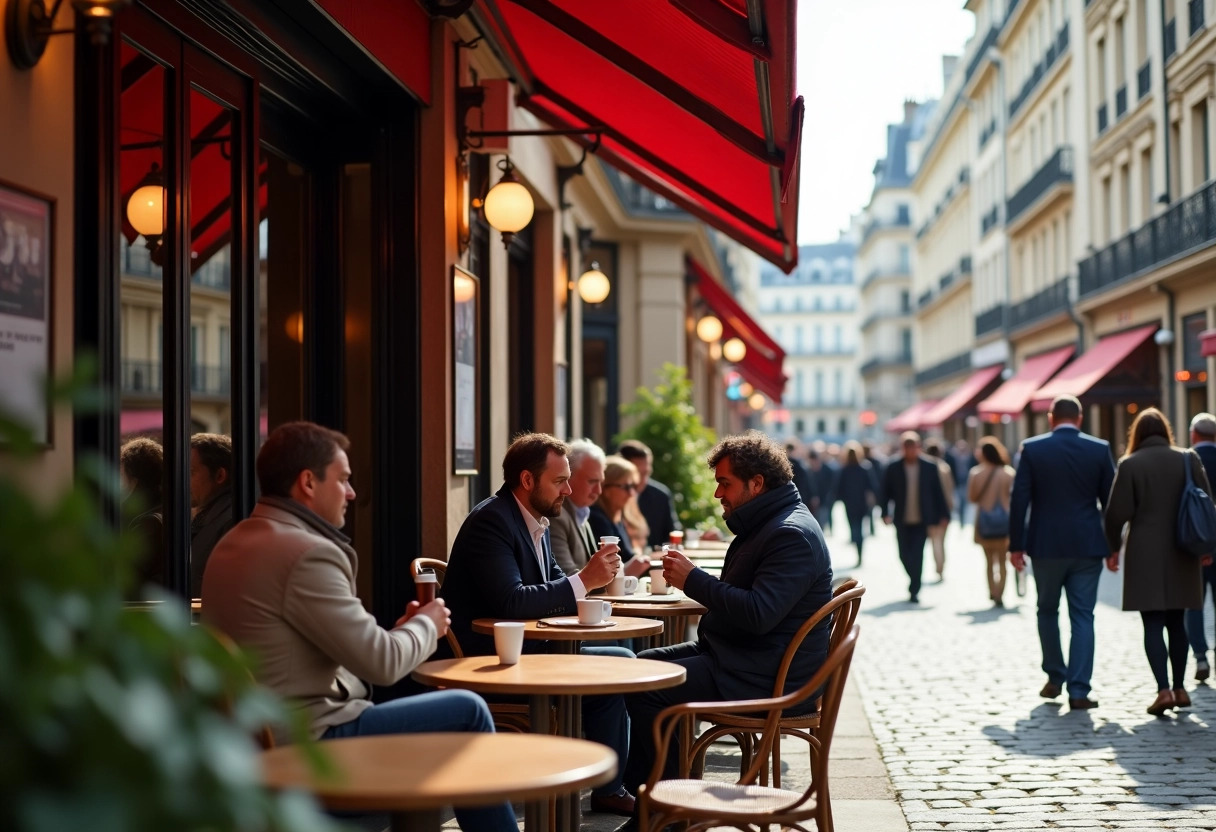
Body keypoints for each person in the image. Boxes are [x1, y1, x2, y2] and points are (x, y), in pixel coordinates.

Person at [201, 421, 515, 832]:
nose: (351, 493)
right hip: (308, 747)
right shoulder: (307, 553)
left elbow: (325, 646)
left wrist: (405, 633)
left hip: (252, 746)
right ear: (308, 482)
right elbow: (381, 665)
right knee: (468, 710)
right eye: (344, 480)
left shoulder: (233, 542)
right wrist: (428, 626)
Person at [622, 430, 833, 793]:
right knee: (639, 666)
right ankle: (645, 797)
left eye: (725, 483)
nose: (718, 494)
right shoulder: (770, 522)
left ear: (757, 483)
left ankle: (669, 807)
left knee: (646, 688)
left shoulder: (789, 534)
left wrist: (693, 579)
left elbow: (758, 613)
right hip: (747, 659)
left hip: (766, 676)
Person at [440, 433, 637, 816]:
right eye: (559, 480)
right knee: (619, 665)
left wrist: (589, 587)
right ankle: (602, 788)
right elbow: (512, 601)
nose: (568, 489)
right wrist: (585, 580)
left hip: (528, 649)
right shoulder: (492, 522)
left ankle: (609, 785)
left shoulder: (534, 519)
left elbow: (554, 583)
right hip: (490, 660)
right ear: (528, 481)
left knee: (621, 660)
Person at [1104, 408, 1214, 715]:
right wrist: (1206, 547)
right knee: (1177, 622)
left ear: (1137, 433)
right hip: (1183, 549)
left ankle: (1163, 690)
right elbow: (1206, 504)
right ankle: (1180, 688)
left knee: (1152, 623)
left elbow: (1116, 514)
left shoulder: (1130, 464)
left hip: (1145, 553)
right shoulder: (1187, 458)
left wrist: (1112, 549)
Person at [1009, 395, 1114, 711]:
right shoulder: (1099, 449)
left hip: (1046, 545)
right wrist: (1114, 547)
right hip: (1088, 545)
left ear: (1051, 418)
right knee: (1083, 615)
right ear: (1079, 418)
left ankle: (1055, 677)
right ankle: (1079, 690)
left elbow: (1019, 500)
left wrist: (1016, 545)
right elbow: (1111, 502)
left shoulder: (1033, 448)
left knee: (1047, 610)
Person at [878, 431, 950, 603]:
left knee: (918, 554)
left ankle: (915, 588)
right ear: (903, 448)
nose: (910, 450)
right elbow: (885, 492)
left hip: (922, 519)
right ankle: (914, 578)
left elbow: (938, 492)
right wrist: (884, 512)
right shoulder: (893, 466)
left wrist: (944, 514)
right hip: (902, 518)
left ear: (918, 447)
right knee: (903, 554)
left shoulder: (929, 466)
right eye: (907, 447)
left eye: (913, 446)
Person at [1184, 413, 1216, 679]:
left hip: (1194, 542)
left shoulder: (1185, 461)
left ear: (1194, 434)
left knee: (1194, 603)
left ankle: (1201, 657)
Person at [967, 436, 1015, 607]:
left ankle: (992, 591)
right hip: (1004, 522)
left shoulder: (976, 473)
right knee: (1002, 561)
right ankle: (1000, 593)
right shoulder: (1008, 473)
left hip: (984, 522)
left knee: (988, 561)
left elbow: (972, 498)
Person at [550, 438, 607, 576]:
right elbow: (566, 578)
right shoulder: (556, 517)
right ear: (568, 477)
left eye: (601, 482)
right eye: (592, 481)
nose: (598, 491)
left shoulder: (581, 512)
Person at [588, 455, 652, 578]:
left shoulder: (616, 516)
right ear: (605, 488)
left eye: (633, 486)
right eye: (625, 487)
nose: (631, 493)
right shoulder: (596, 518)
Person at [189, 432, 235, 597]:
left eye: (191, 472)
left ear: (220, 475)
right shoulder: (209, 514)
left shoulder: (230, 520)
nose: (183, 480)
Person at [120, 436, 166, 593]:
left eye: (122, 476)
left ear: (134, 480)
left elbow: (127, 579)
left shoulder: (148, 523)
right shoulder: (162, 510)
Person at [618, 439, 681, 547]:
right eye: (637, 473)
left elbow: (672, 532)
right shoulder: (611, 495)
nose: (642, 480)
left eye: (646, 473)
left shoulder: (660, 496)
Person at [835, 441, 876, 566]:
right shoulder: (864, 468)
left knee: (854, 527)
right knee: (859, 527)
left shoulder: (845, 469)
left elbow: (838, 488)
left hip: (850, 503)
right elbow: (872, 486)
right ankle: (859, 550)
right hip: (861, 503)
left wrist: (841, 499)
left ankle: (857, 545)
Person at [923, 439, 956, 581]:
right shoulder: (944, 467)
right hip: (944, 510)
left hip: (931, 510)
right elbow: (951, 489)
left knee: (935, 541)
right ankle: (941, 567)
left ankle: (939, 566)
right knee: (941, 541)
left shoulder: (925, 468)